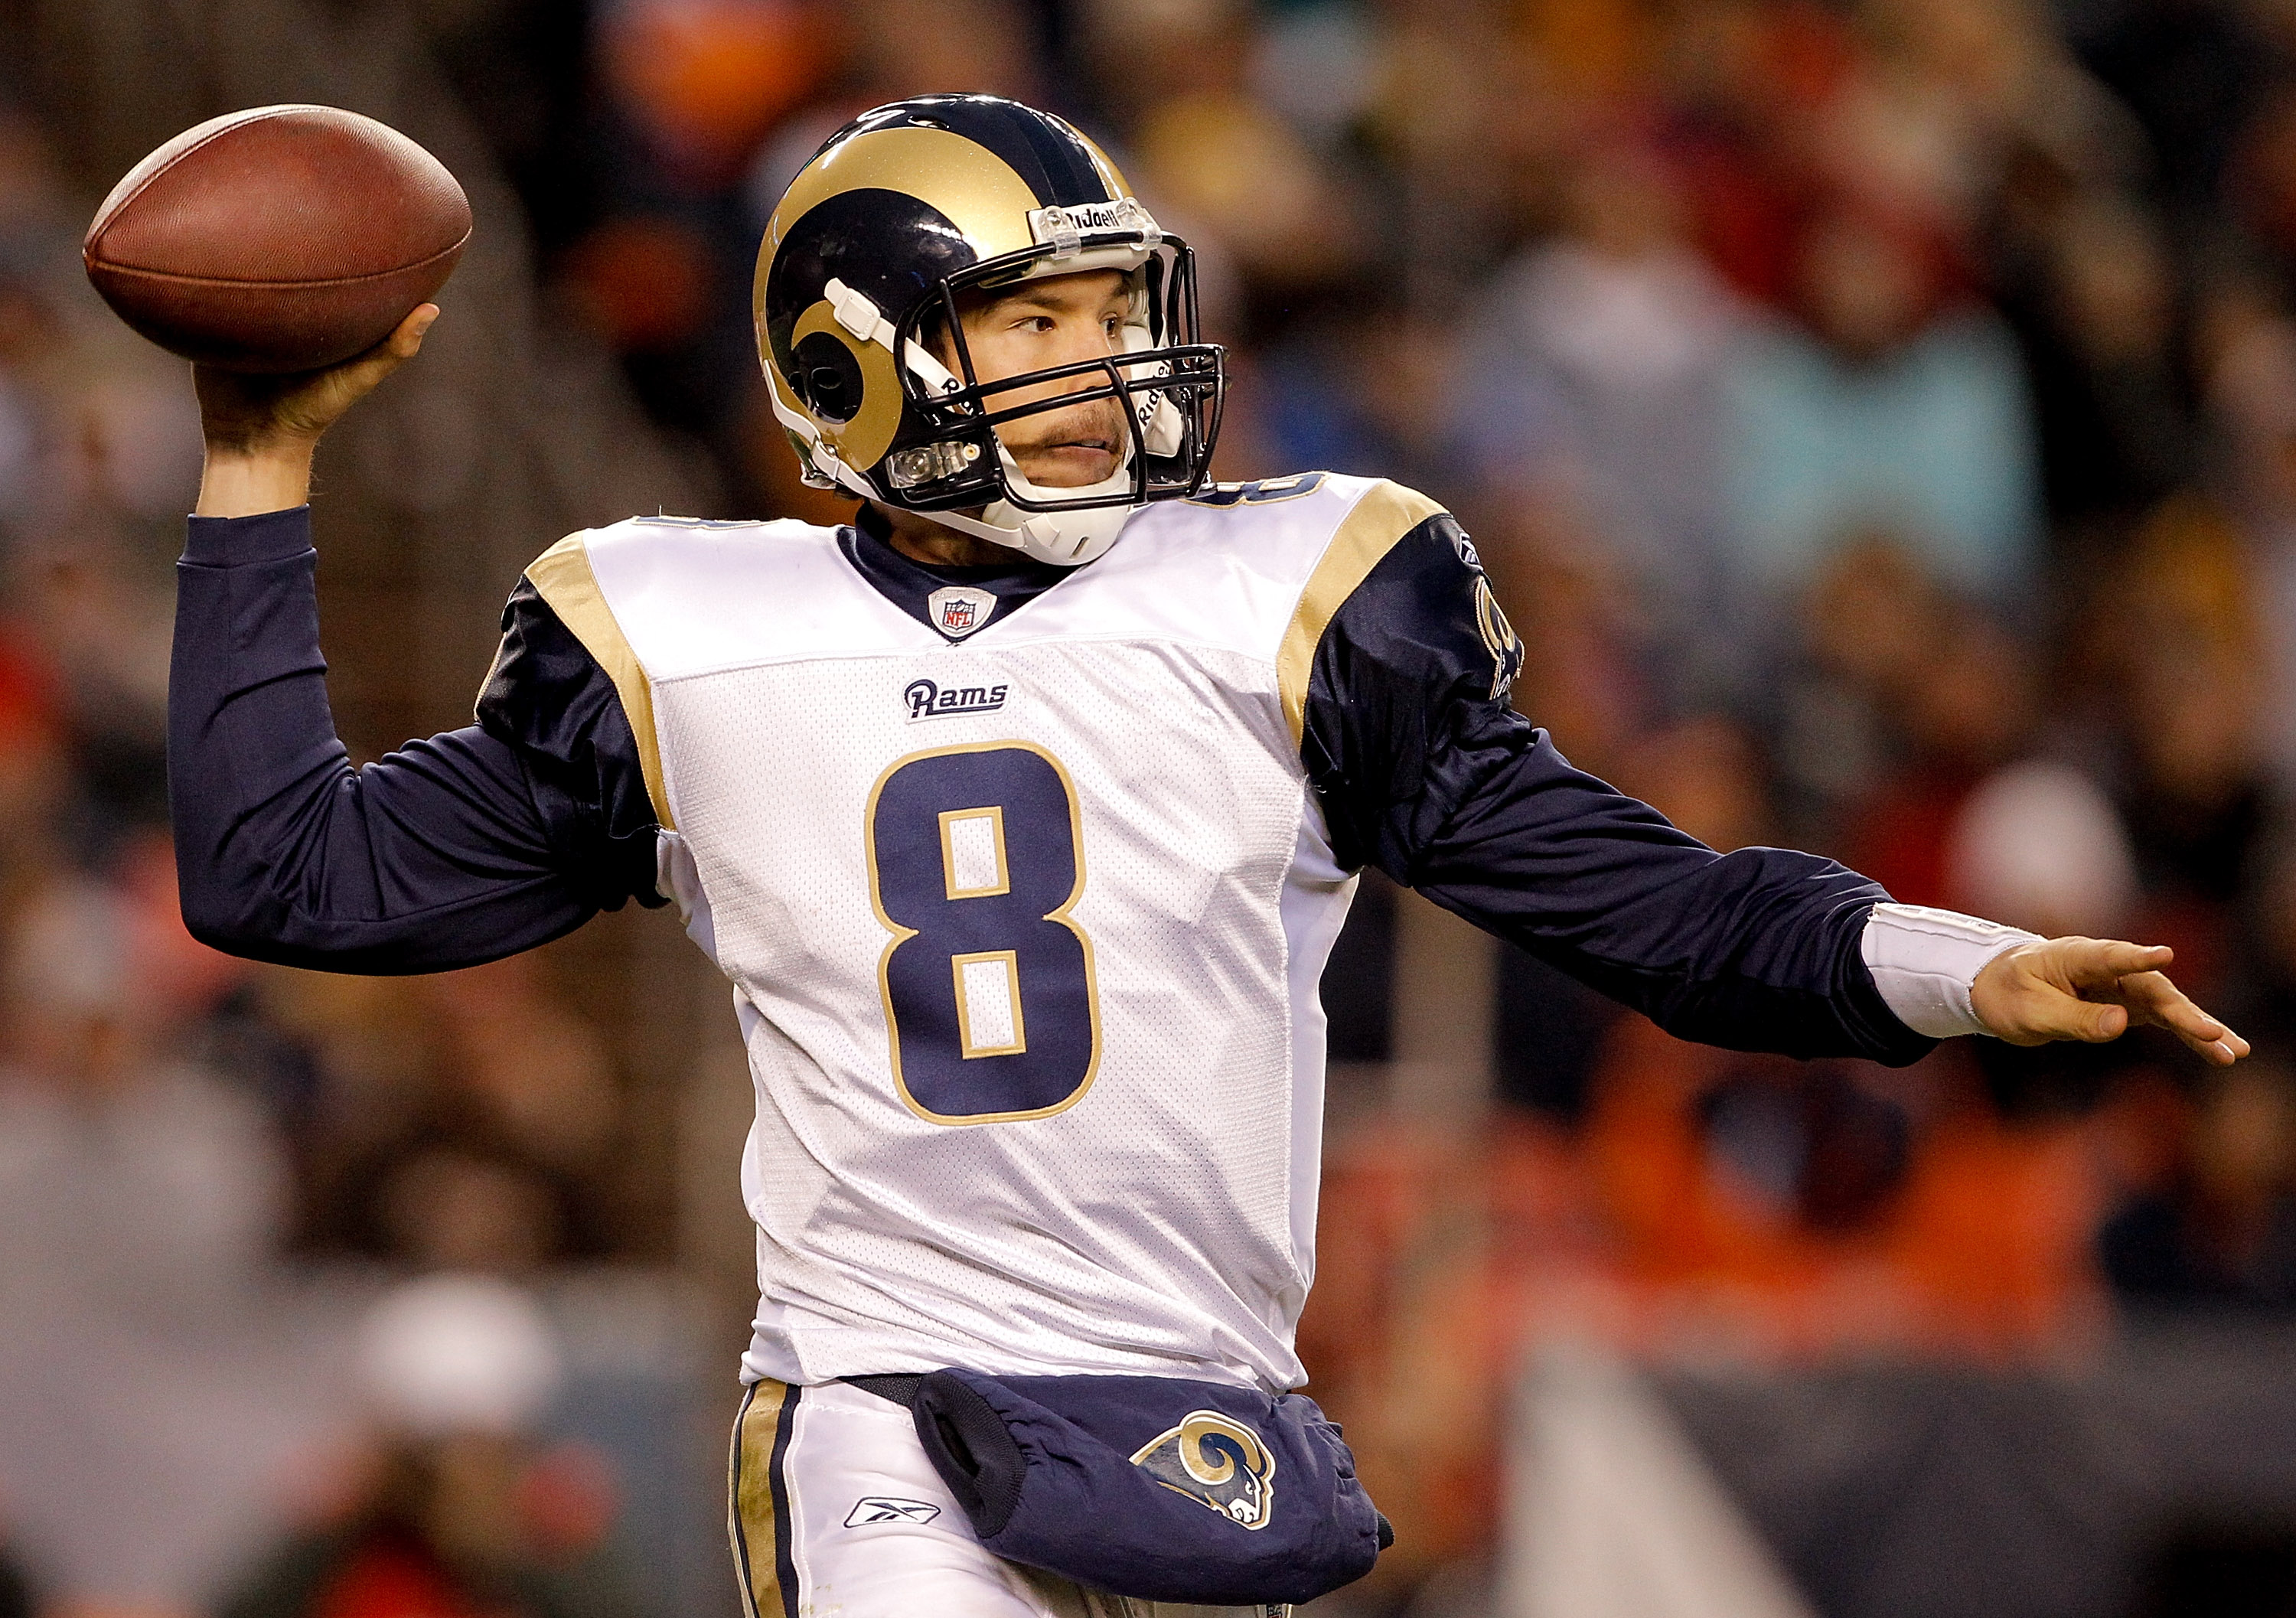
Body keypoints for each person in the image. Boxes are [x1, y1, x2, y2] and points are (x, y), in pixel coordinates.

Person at [170, 95, 2246, 1618]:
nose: (1105, 372)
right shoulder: (682, 638)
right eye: (1030, 326)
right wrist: (260, 472)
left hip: (1199, 1418)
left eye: (1110, 309)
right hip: (879, 1402)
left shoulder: (1289, 598)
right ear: (847, 363)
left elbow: (1649, 905)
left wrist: (1944, 960)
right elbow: (290, 875)